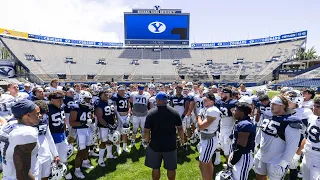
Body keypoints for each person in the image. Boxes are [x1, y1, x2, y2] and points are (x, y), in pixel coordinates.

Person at [254, 95, 302, 180]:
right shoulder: (267, 118)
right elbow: (259, 137)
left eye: (274, 104)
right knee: (259, 176)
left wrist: (283, 163)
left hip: (276, 160)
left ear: (282, 106)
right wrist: (255, 148)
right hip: (261, 155)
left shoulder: (290, 122)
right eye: (271, 103)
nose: (271, 106)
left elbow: (292, 146)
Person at [144, 92, 185, 180]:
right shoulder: (174, 112)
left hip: (155, 144)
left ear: (158, 100)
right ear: (166, 100)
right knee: (171, 168)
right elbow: (180, 128)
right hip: (170, 145)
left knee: (155, 167)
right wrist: (182, 140)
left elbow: (146, 130)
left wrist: (146, 141)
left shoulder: (151, 113)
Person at [0, 99, 41, 180]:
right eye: (37, 113)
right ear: (27, 115)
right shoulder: (26, 134)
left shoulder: (8, 125)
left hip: (8, 175)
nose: (40, 115)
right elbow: (22, 172)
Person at [227, 101, 256, 180]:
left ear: (242, 113)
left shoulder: (245, 124)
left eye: (236, 110)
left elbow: (241, 146)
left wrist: (232, 162)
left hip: (243, 157)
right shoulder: (239, 122)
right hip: (237, 154)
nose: (233, 112)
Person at [47, 91, 72, 180]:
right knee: (52, 162)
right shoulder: (47, 109)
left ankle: (67, 174)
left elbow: (63, 119)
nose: (61, 102)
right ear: (52, 100)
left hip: (62, 136)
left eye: (62, 99)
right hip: (53, 138)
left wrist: (65, 131)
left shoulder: (61, 107)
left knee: (64, 158)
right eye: (59, 100)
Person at [69, 91, 95, 179]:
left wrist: (92, 119)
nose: (89, 101)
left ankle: (84, 162)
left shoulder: (89, 107)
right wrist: (83, 122)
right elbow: (72, 122)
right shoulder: (75, 107)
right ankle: (77, 170)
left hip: (87, 129)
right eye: (87, 99)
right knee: (80, 151)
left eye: (89, 99)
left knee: (87, 147)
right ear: (81, 98)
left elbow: (91, 116)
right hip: (79, 131)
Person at [33, 100, 60, 180]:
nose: (41, 116)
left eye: (43, 114)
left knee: (46, 175)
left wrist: (55, 154)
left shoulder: (45, 119)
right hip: (33, 156)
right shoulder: (24, 123)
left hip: (46, 153)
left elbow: (48, 136)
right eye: (38, 114)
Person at [197, 93, 221, 180]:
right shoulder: (206, 109)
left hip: (209, 139)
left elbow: (201, 126)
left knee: (202, 164)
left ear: (212, 101)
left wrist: (199, 116)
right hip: (205, 138)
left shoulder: (213, 110)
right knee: (208, 161)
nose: (204, 101)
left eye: (206, 100)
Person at [95, 89, 118, 167]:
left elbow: (113, 114)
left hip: (111, 124)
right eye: (104, 93)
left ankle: (109, 154)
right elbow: (99, 117)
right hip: (103, 126)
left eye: (108, 93)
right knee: (103, 142)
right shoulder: (98, 103)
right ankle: (100, 159)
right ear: (100, 95)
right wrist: (108, 125)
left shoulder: (110, 101)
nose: (107, 94)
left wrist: (114, 123)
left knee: (110, 140)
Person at [300, 97, 320, 180]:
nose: (314, 108)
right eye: (314, 106)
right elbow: (306, 137)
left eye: (318, 106)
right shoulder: (312, 117)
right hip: (307, 154)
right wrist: (298, 154)